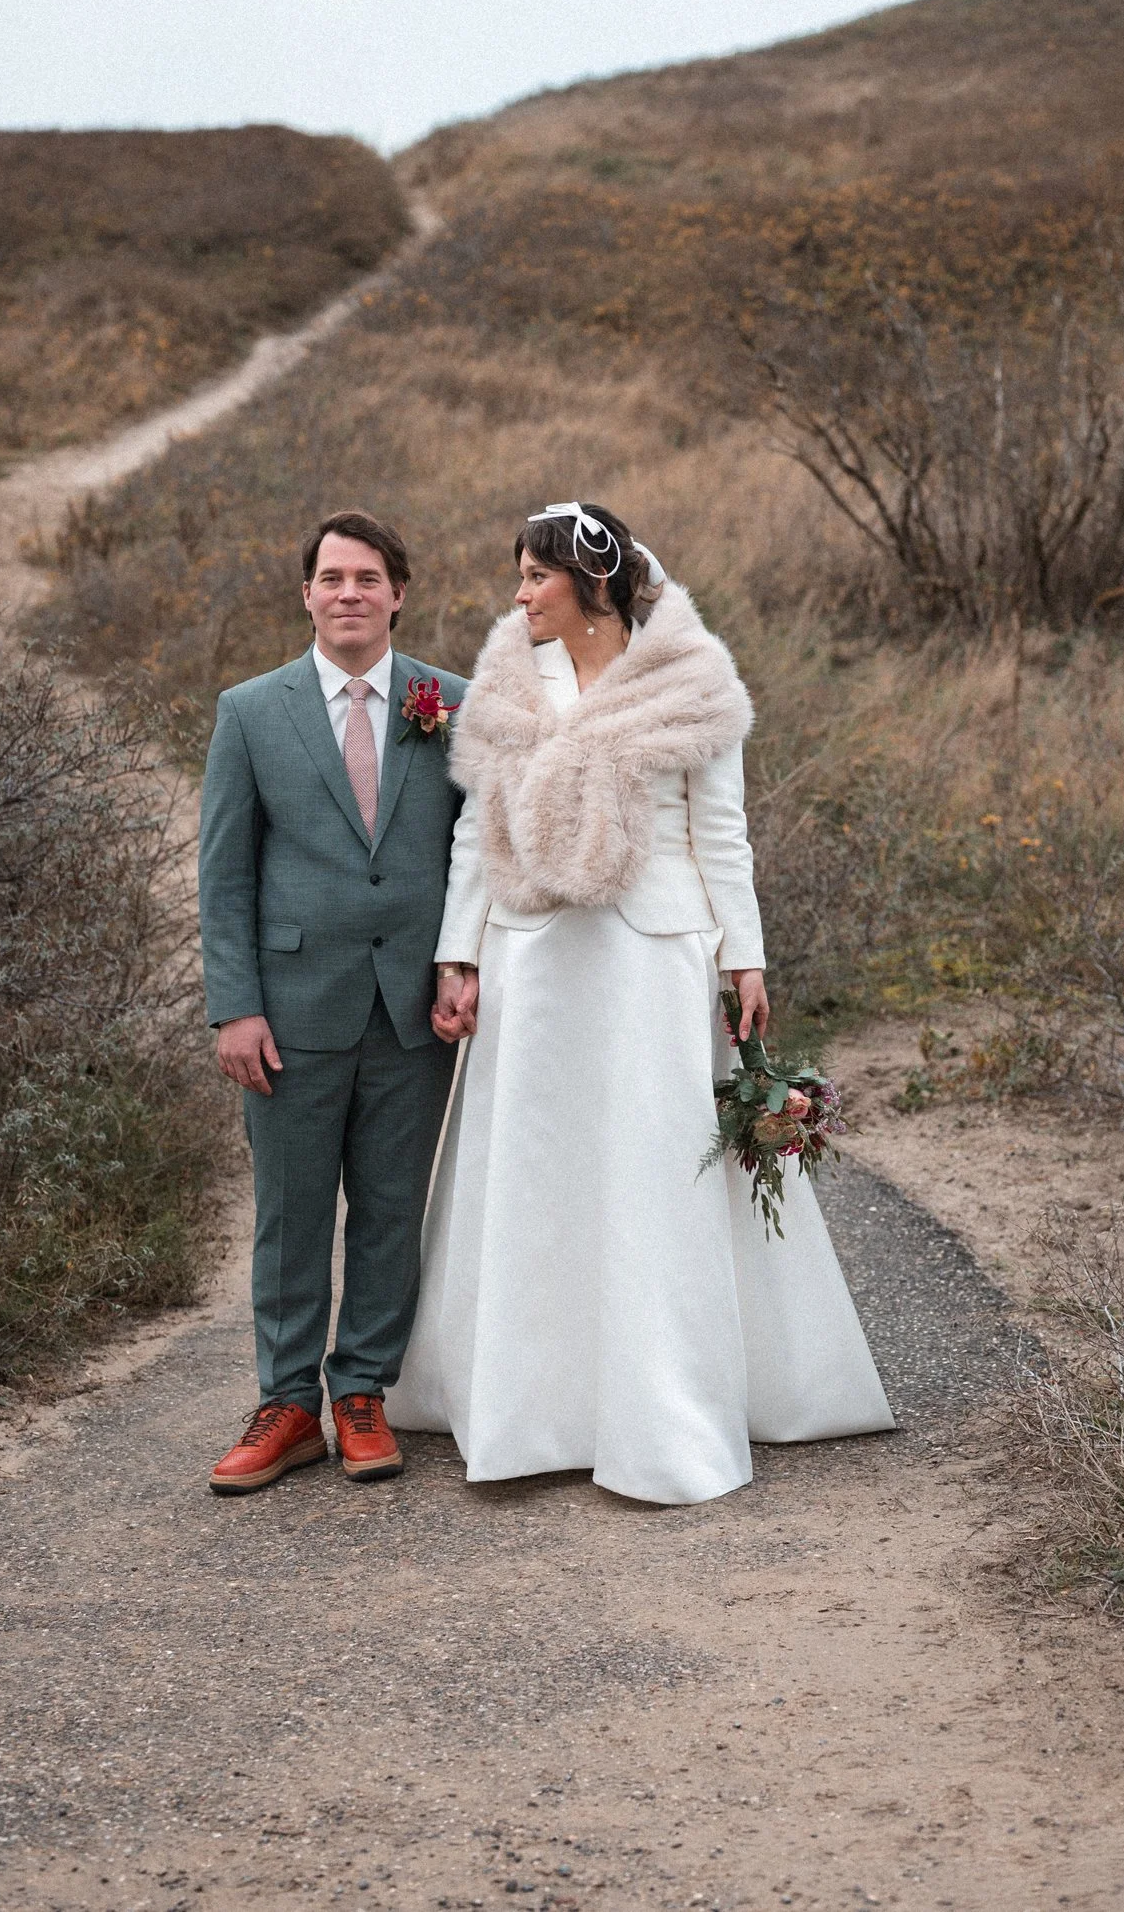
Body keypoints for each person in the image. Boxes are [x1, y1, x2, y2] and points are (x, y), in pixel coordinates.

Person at [388, 500, 894, 1505]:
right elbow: (474, 837)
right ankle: (533, 1409)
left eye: (535, 576)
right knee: (538, 1170)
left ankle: (660, 1407)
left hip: (650, 956)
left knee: (651, 1166)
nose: (518, 595)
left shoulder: (687, 677)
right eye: (518, 576)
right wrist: (458, 955)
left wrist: (741, 958)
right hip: (532, 960)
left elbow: (721, 830)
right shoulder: (506, 679)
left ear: (591, 583)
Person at [199, 510, 468, 1494]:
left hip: (411, 1011)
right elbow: (222, 874)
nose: (347, 593)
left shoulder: (452, 702)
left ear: (399, 591)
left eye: (367, 577)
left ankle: (361, 1391)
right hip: (289, 1006)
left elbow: (477, 856)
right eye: (330, 578)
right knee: (293, 1210)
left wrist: (461, 962)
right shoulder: (251, 711)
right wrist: (234, 1005)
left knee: (392, 1209)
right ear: (306, 593)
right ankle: (284, 1404)